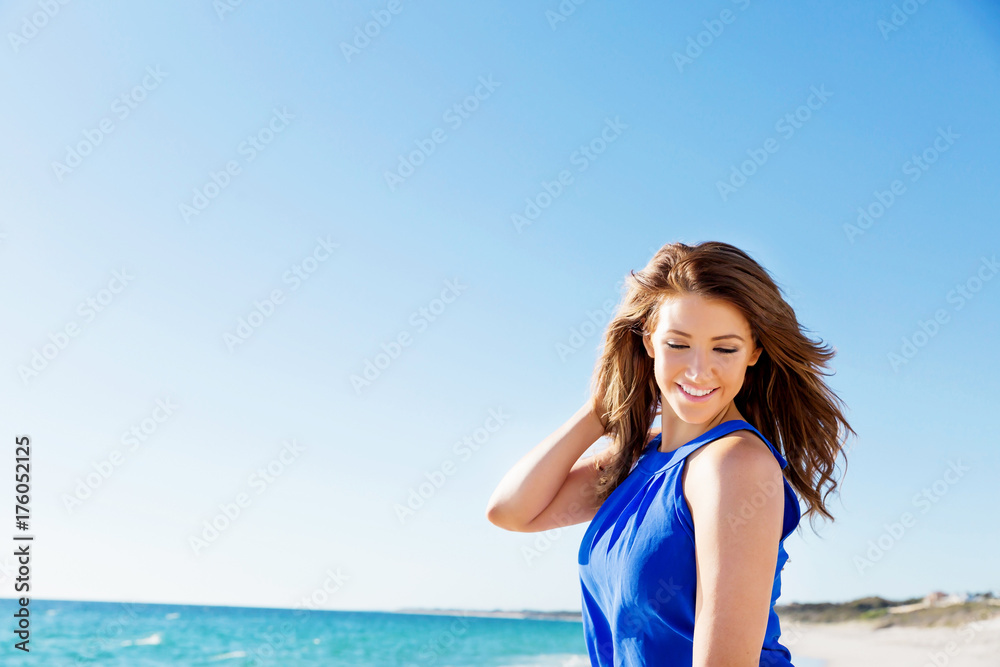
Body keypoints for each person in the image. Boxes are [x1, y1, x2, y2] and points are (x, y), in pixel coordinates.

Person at [486, 241, 854, 666]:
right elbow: (511, 511)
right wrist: (601, 409)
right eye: (678, 344)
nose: (699, 370)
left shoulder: (735, 465)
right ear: (647, 342)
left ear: (754, 351)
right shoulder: (644, 457)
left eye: (725, 348)